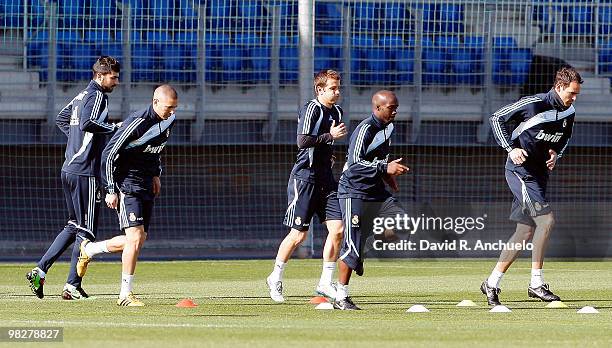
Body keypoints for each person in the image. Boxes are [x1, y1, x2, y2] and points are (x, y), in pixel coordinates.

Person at [482, 66, 583, 306]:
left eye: (577, 94)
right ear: (559, 87)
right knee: (546, 221)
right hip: (520, 171)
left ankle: (491, 283)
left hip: (539, 175)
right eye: (572, 93)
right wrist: (511, 148)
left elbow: (565, 138)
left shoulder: (570, 111)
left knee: (524, 232)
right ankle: (536, 284)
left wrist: (556, 154)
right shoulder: (533, 103)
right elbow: (496, 118)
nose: (575, 98)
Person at [26, 56, 122, 300]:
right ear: (100, 76)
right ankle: (72, 285)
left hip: (69, 168)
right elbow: (89, 123)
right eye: (113, 77)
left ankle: (39, 270)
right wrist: (113, 129)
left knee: (73, 225)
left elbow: (62, 118)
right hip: (85, 171)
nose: (116, 82)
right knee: (87, 231)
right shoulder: (98, 95)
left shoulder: (81, 95)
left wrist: (76, 143)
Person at [79, 84, 178, 307]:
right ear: (155, 102)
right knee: (134, 238)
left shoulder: (169, 120)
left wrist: (155, 174)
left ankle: (90, 249)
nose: (172, 112)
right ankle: (125, 294)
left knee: (139, 239)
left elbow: (156, 149)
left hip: (145, 182)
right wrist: (111, 189)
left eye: (175, 108)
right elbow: (108, 154)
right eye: (169, 107)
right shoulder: (137, 121)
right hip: (127, 183)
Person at [266, 70, 347, 302]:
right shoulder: (312, 109)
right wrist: (329, 137)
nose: (337, 91)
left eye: (338, 87)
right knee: (298, 235)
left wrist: (330, 154)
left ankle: (325, 282)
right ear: (320, 89)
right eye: (333, 88)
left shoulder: (337, 111)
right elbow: (302, 141)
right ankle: (275, 277)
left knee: (338, 229)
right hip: (304, 179)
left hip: (326, 180)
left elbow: (326, 143)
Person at [334, 90, 409, 310]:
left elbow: (378, 160)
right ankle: (341, 297)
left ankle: (367, 244)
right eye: (391, 107)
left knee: (403, 225)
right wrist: (385, 167)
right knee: (351, 246)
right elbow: (355, 165)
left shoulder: (389, 128)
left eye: (396, 107)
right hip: (353, 192)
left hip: (376, 191)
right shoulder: (364, 129)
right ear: (377, 108)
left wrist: (388, 177)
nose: (395, 111)